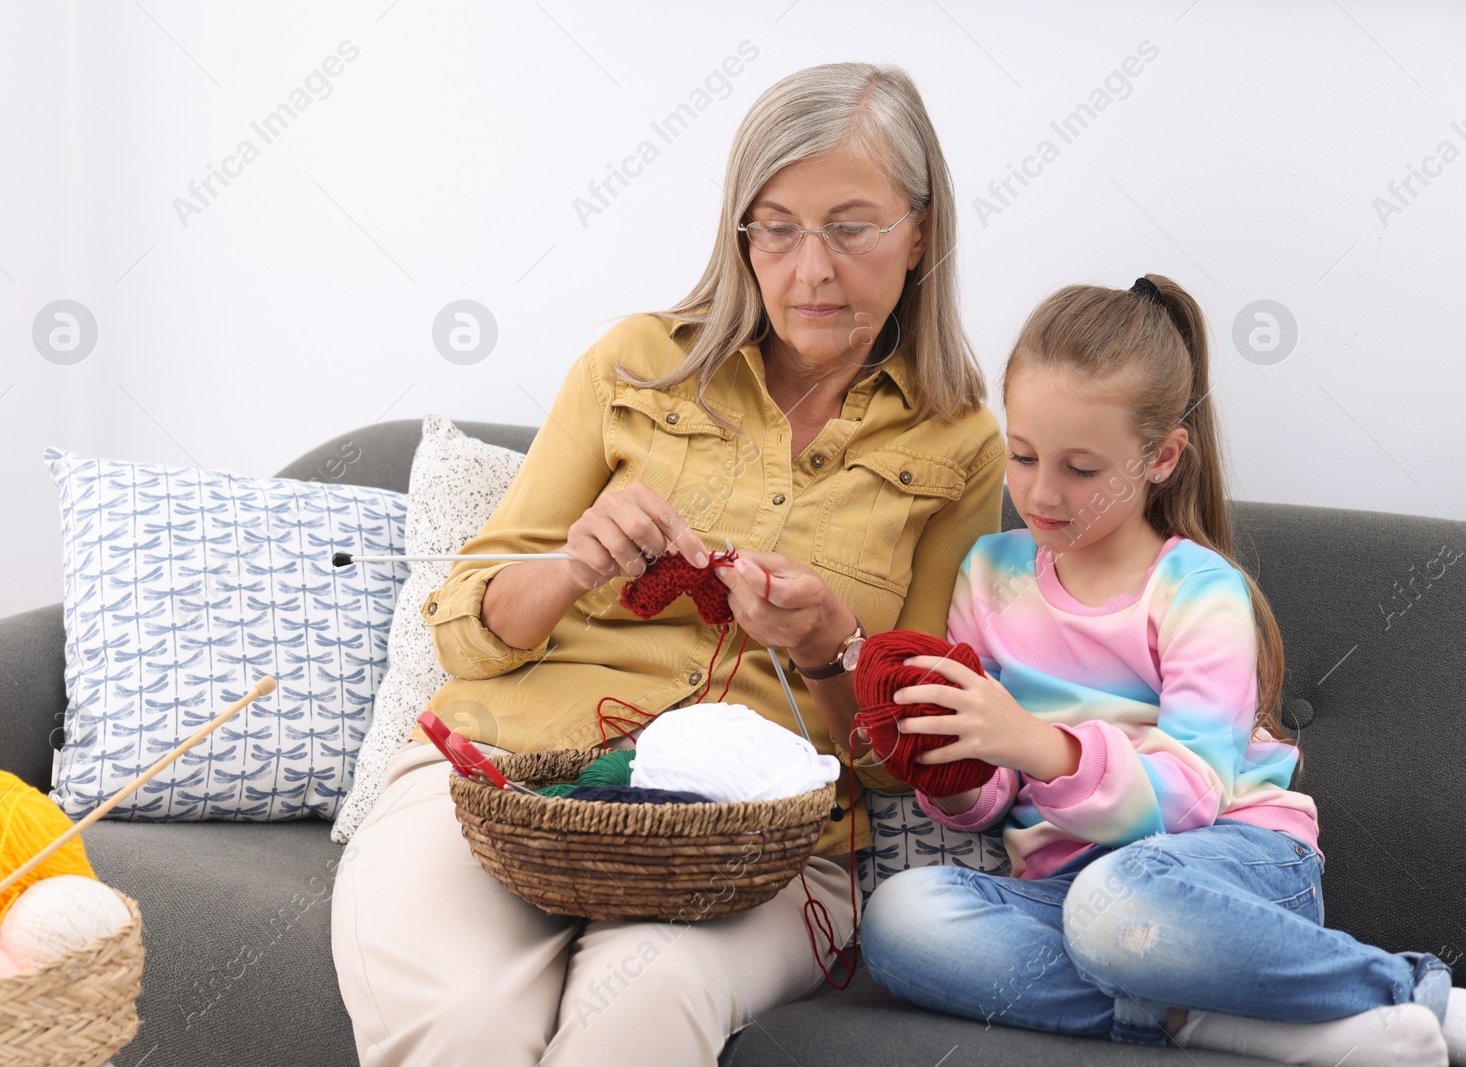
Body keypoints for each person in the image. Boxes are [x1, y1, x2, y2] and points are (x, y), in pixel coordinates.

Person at [329, 62, 1005, 1066]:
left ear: (920, 231)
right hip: (504, 783)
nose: (810, 270)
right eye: (774, 227)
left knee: (642, 1008)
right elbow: (463, 631)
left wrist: (830, 648)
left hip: (760, 845)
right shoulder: (632, 363)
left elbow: (895, 762)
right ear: (740, 234)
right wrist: (570, 561)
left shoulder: (961, 442)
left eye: (852, 226)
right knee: (467, 1024)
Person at [857, 274, 1466, 1066]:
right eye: (1023, 454)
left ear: (1163, 458)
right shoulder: (989, 574)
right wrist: (957, 766)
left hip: (1228, 866)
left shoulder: (1197, 589)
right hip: (1069, 891)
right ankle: (1211, 1021)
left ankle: (1418, 994)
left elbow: (1189, 796)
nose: (1041, 492)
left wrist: (1038, 743)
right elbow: (993, 799)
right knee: (901, 917)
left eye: (1080, 468)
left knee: (1114, 901)